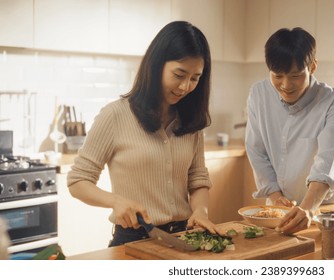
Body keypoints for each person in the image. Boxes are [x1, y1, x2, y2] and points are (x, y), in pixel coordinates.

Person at [67, 21, 220, 246]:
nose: (186, 87)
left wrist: (200, 211)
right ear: (156, 65)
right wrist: (115, 201)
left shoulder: (191, 121)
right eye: (179, 75)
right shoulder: (115, 115)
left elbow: (197, 179)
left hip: (183, 238)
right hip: (134, 240)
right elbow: (78, 181)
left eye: (195, 78)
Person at [245, 27, 334, 234]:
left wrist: (307, 208)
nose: (286, 85)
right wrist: (276, 197)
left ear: (312, 67)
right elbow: (256, 150)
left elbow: (327, 164)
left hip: (324, 209)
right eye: (277, 76)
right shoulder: (259, 94)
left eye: (295, 76)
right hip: (279, 207)